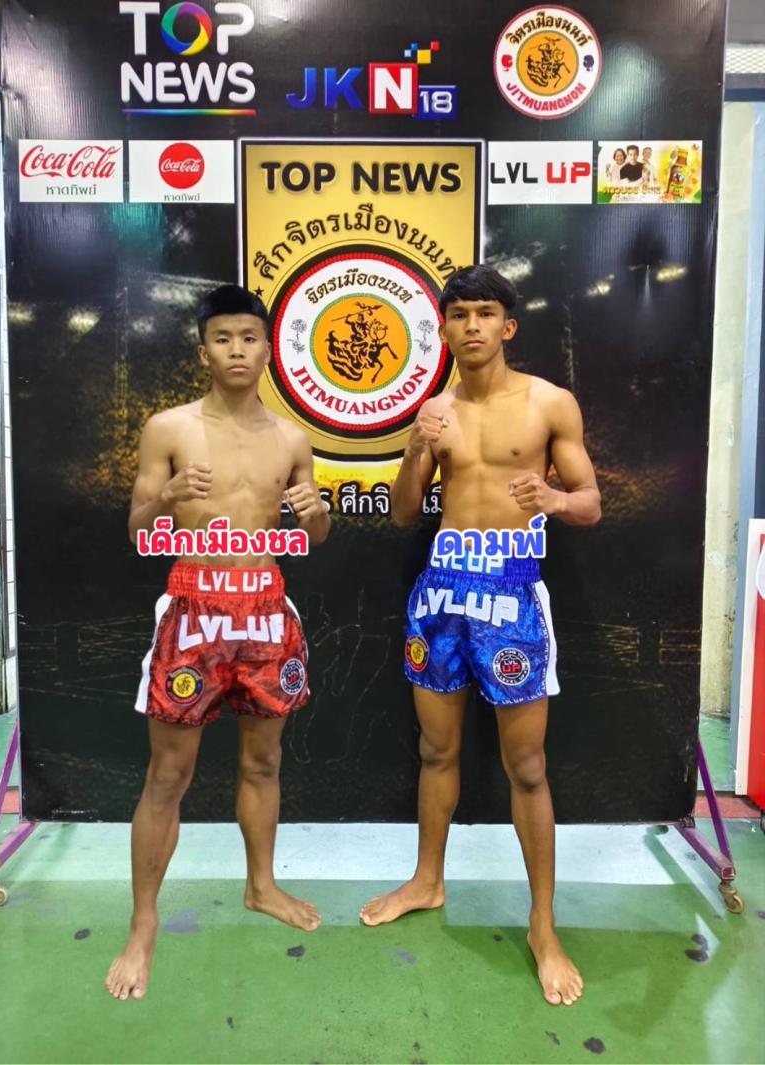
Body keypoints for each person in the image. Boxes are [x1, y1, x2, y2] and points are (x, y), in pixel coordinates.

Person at [360, 264, 601, 1008]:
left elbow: (591, 503)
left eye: (485, 313)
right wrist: (413, 449)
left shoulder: (549, 403)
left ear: (508, 325)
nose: (471, 325)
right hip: (442, 594)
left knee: (526, 764)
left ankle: (542, 925)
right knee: (436, 751)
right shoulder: (435, 412)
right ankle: (428, 880)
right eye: (459, 313)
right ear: (444, 327)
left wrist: (553, 498)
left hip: (512, 594)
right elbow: (404, 513)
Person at [106, 284, 330, 1002]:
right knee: (167, 775)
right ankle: (143, 923)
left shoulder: (292, 438)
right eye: (223, 338)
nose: (237, 350)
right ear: (203, 350)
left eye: (249, 338)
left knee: (263, 761)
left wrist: (315, 512)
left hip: (264, 608)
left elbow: (313, 536)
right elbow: (138, 530)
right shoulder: (168, 428)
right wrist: (167, 500)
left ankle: (261, 885)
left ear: (269, 349)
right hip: (194, 609)